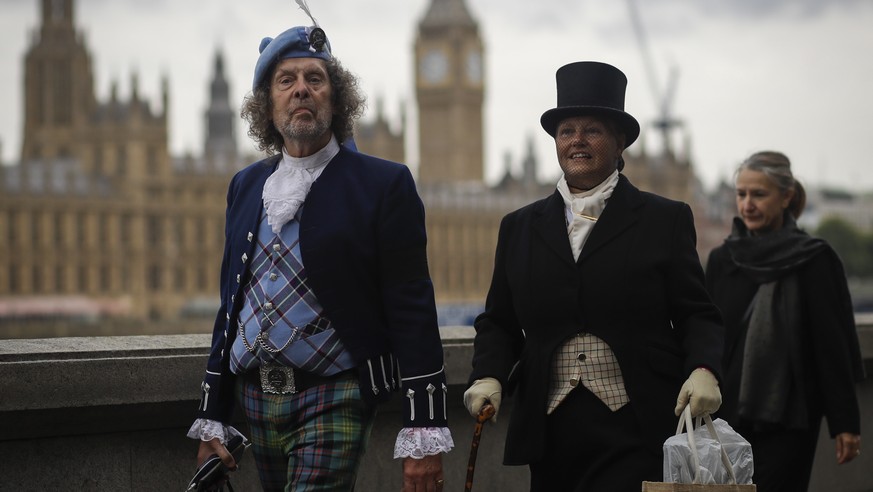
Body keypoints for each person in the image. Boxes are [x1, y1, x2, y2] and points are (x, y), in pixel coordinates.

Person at [187, 16, 453, 492]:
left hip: (336, 393)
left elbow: (412, 304)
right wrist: (211, 414)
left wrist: (425, 428)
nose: (302, 90)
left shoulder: (383, 184)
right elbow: (231, 305)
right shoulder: (246, 186)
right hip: (255, 400)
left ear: (338, 98)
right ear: (267, 105)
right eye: (286, 81)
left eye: (316, 79)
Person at [462, 60, 725, 491]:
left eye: (592, 131)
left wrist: (704, 368)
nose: (577, 141)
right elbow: (499, 321)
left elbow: (699, 313)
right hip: (549, 430)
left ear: (620, 143)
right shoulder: (520, 226)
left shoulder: (665, 219)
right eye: (567, 131)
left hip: (638, 426)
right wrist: (488, 373)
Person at [705, 151, 864, 491]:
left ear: (787, 197)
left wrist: (845, 423)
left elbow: (832, 345)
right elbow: (709, 335)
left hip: (791, 420)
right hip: (727, 420)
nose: (747, 204)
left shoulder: (816, 260)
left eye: (759, 194)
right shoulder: (723, 260)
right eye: (741, 194)